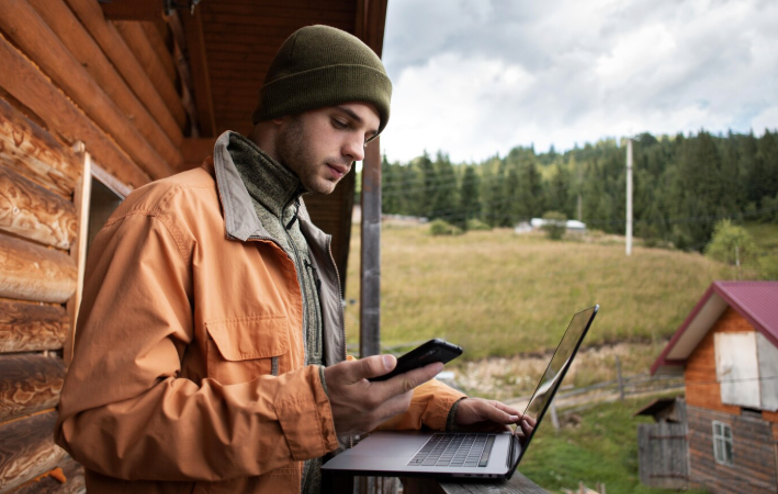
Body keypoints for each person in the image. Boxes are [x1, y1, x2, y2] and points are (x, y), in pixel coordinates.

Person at [55, 25, 521, 494]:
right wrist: (312, 410)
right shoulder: (164, 217)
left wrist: (441, 407)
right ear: (284, 107)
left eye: (369, 135)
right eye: (342, 122)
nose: (357, 151)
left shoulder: (300, 236)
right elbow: (102, 421)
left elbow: (310, 370)